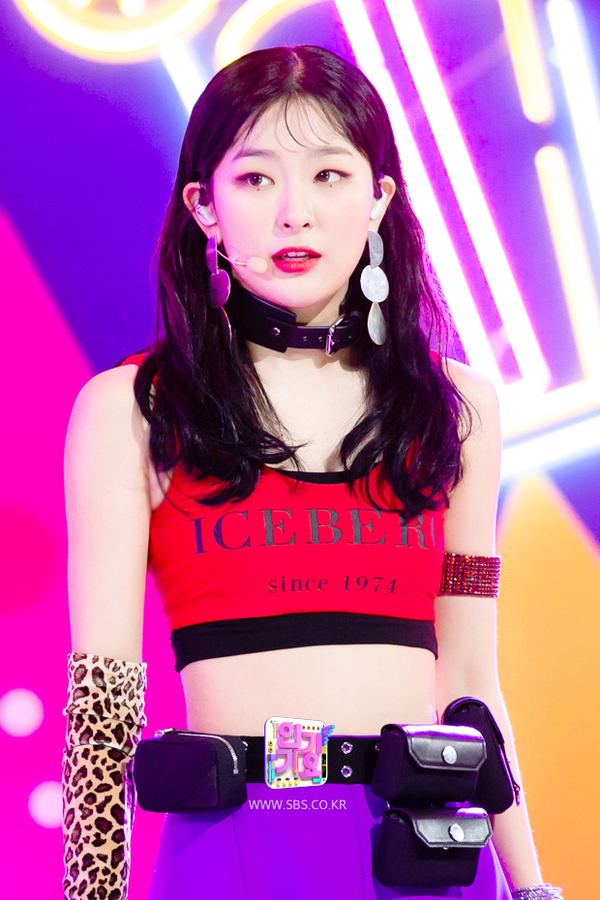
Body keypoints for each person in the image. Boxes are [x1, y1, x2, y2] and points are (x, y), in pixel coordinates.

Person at [62, 45, 562, 900]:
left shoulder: (457, 410)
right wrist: (91, 891)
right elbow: (103, 704)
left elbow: (471, 682)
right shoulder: (134, 410)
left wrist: (532, 885)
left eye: (330, 175)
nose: (295, 213)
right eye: (256, 179)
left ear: (379, 199)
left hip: (430, 850)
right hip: (233, 852)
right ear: (204, 207)